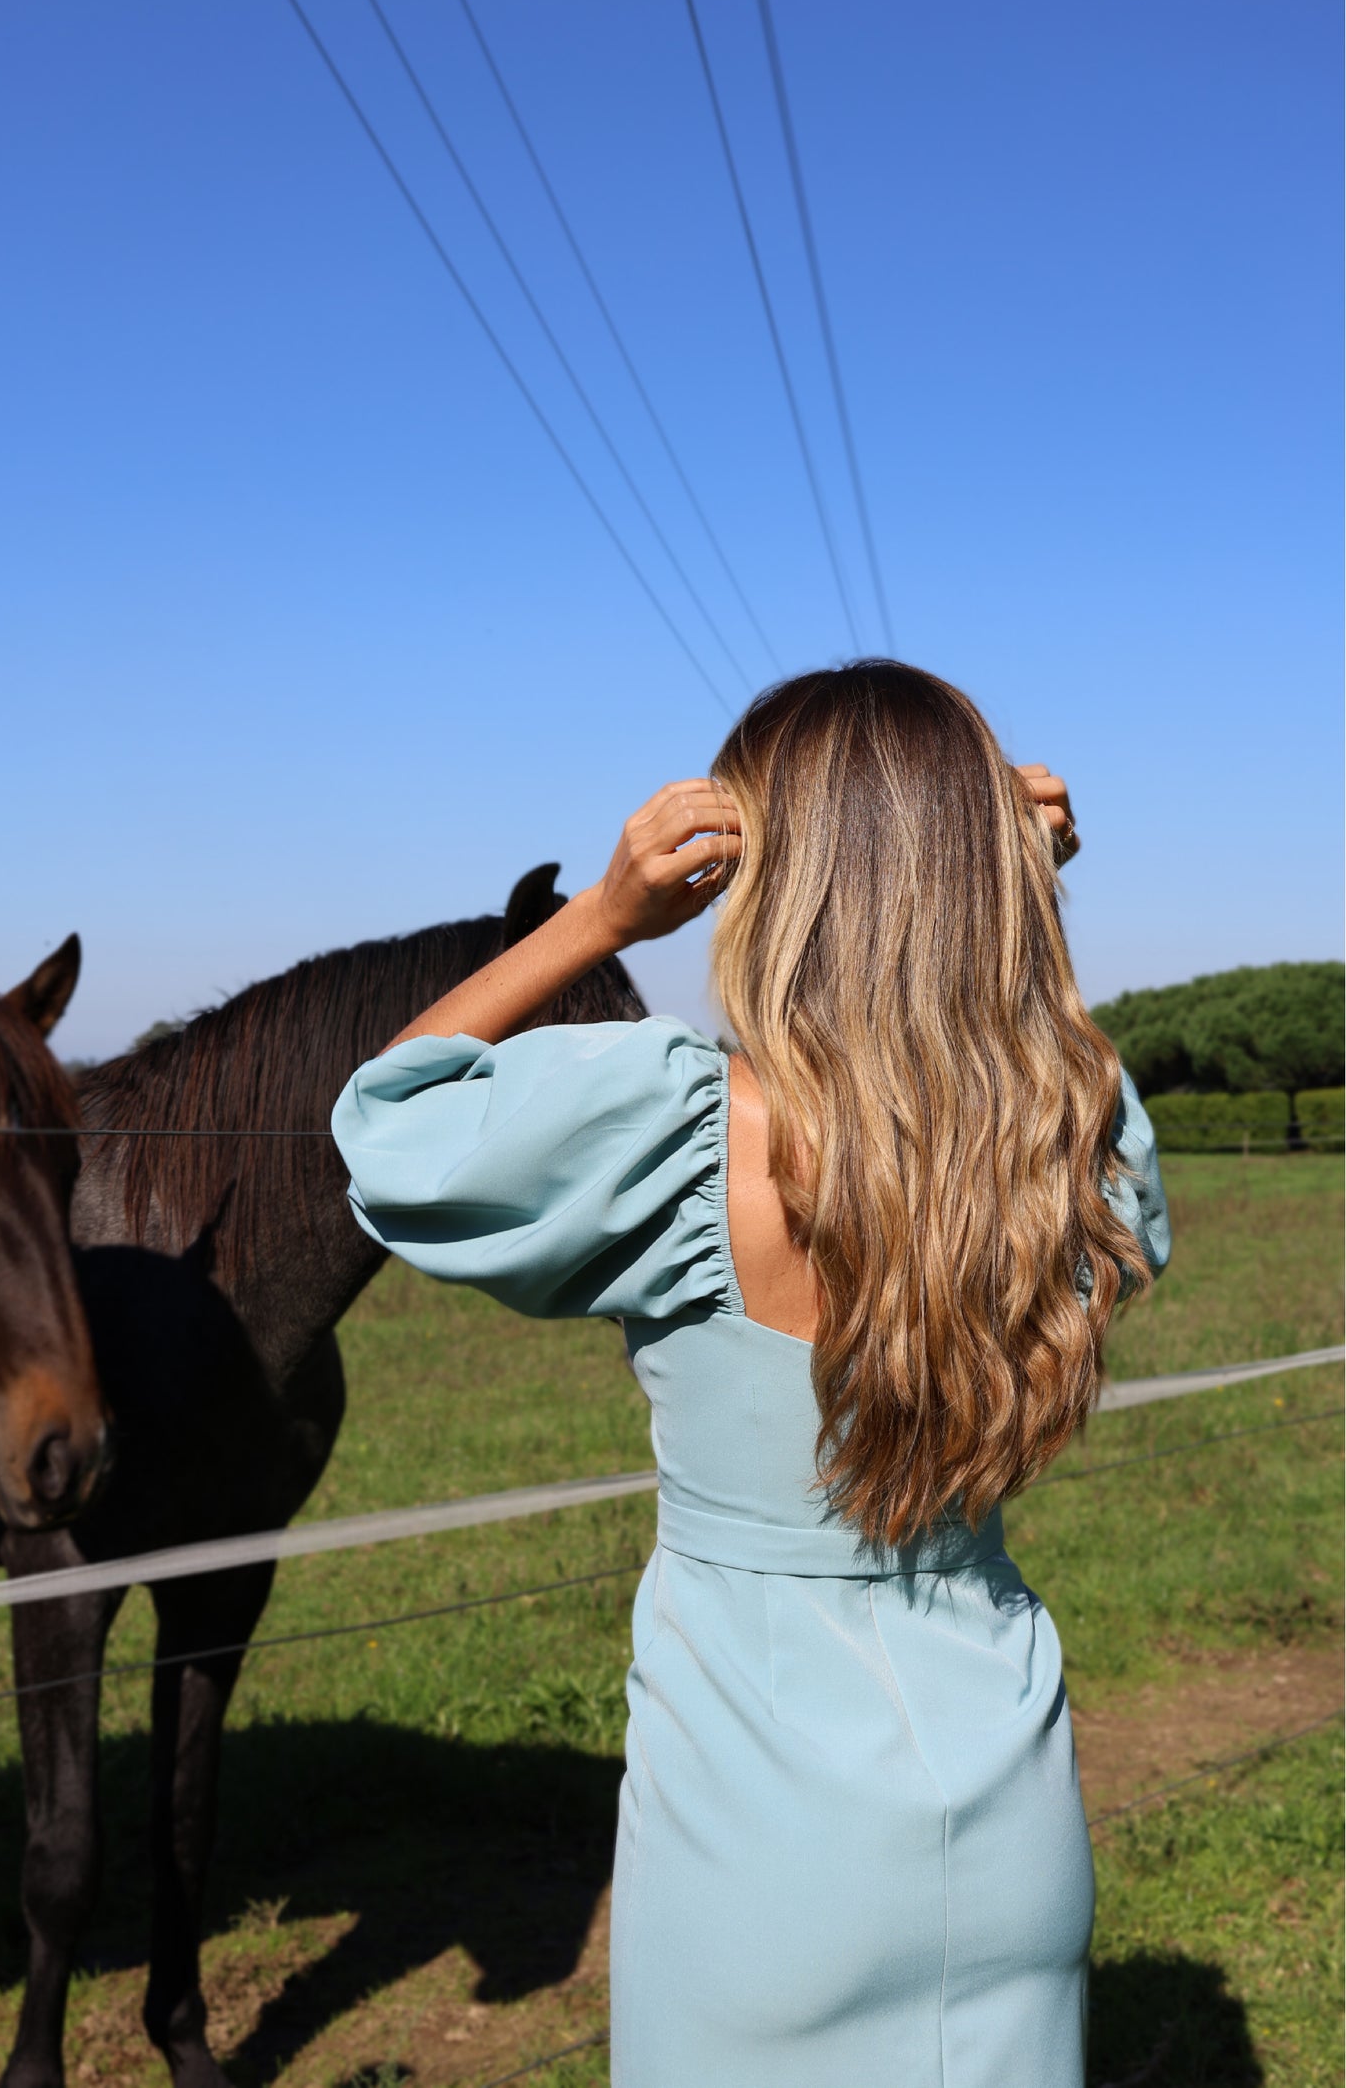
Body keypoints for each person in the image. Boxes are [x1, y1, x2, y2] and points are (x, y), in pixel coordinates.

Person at [331, 661, 1170, 2088]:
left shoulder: (682, 1127)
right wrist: (1030, 919)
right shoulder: (1053, 1139)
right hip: (1011, 1803)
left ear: (767, 877)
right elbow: (1100, 1149)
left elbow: (389, 1126)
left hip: (755, 1834)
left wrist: (599, 917)